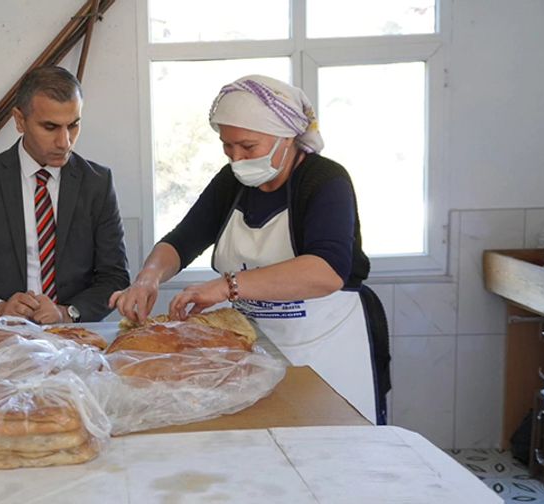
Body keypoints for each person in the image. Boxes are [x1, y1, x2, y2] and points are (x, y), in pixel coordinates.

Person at [110, 75, 390, 424]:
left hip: (325, 343)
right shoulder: (233, 182)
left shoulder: (326, 181)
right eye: (227, 147)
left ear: (286, 137)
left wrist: (228, 286)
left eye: (248, 147)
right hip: (254, 346)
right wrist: (148, 279)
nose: (236, 158)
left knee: (329, 448)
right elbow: (182, 240)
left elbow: (326, 271)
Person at [0, 66, 130, 325]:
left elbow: (114, 277)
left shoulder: (97, 184)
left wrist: (67, 313)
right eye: (50, 127)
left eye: (73, 125)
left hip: (74, 341)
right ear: (19, 120)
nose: (65, 142)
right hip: (0, 340)